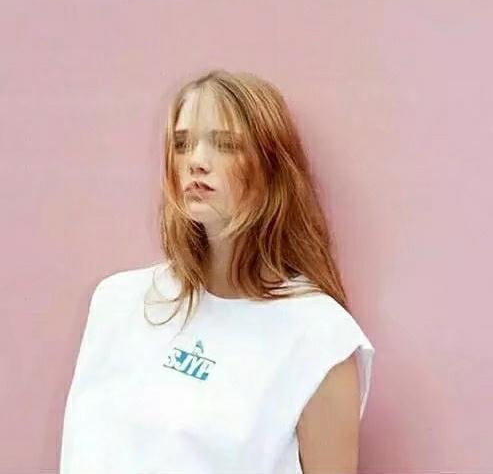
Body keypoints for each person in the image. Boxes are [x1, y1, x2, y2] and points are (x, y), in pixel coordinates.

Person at [59, 69, 375, 474]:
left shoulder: (321, 336)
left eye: (226, 145)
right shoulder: (118, 302)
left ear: (272, 167)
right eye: (182, 144)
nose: (196, 162)